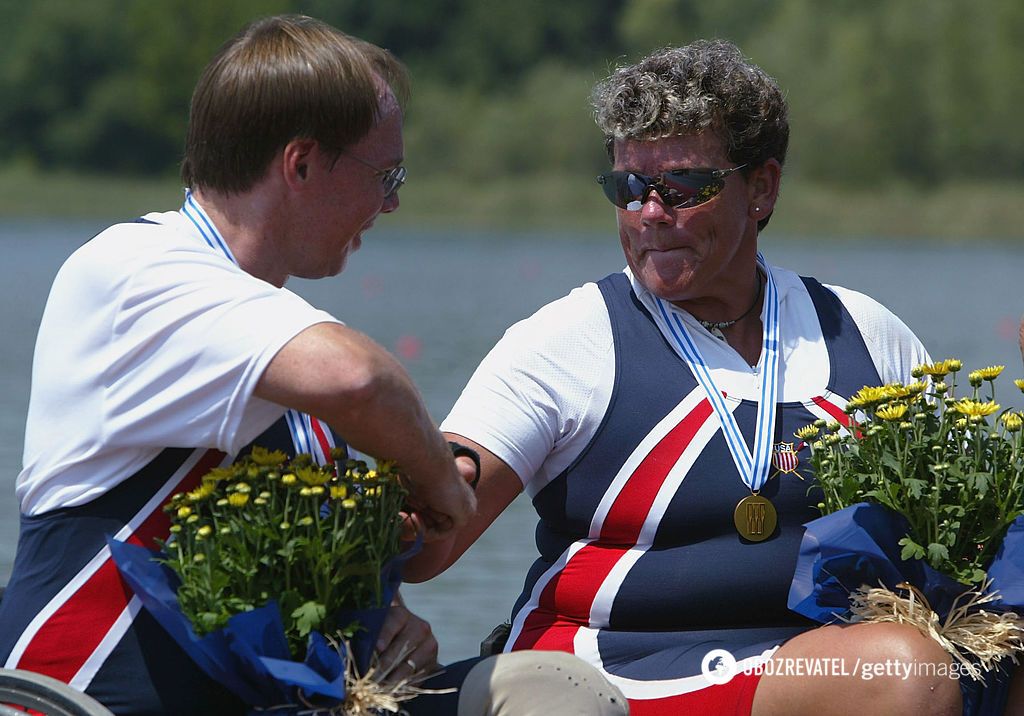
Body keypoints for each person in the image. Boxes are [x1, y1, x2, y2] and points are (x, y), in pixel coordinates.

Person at [0, 15, 627, 716]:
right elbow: (362, 380)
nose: (392, 202)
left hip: (277, 703)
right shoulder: (132, 273)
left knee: (556, 693)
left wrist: (378, 628)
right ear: (300, 164)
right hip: (86, 700)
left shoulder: (271, 354)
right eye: (385, 174)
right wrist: (442, 489)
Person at [410, 40, 1023, 715]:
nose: (650, 212)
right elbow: (428, 539)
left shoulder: (864, 333)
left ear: (761, 187)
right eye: (628, 188)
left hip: (808, 665)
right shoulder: (566, 342)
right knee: (904, 669)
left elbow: (967, 533)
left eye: (683, 187)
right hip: (605, 671)